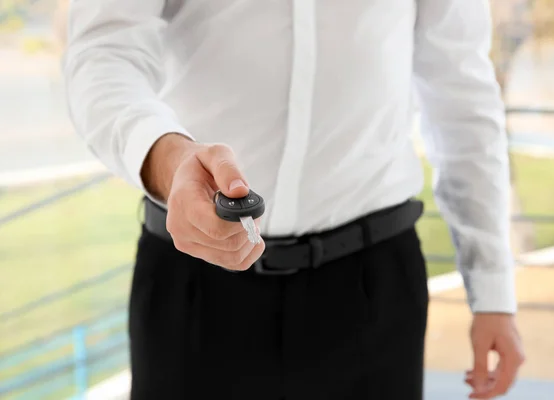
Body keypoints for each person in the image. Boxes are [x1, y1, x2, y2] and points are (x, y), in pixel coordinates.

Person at [63, 0, 525, 399]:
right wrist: (170, 159)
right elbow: (104, 51)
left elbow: (461, 89)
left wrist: (492, 291)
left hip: (374, 291)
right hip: (194, 285)